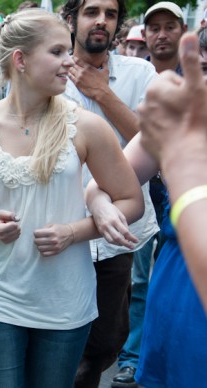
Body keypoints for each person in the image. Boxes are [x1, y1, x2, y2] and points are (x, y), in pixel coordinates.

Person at [0, 9, 143, 387]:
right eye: (57, 52)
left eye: (67, 51)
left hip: (64, 299)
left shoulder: (88, 127)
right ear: (20, 60)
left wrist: (74, 232)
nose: (69, 62)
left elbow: (131, 201)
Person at [87, 33, 207, 387]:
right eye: (200, 69)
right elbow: (107, 180)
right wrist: (100, 203)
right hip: (176, 293)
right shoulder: (185, 117)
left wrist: (183, 167)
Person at [61, 0, 161, 385]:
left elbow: (154, 143)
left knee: (107, 343)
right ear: (72, 18)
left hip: (119, 234)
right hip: (61, 228)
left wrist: (102, 93)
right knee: (61, 335)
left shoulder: (141, 73)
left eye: (110, 13)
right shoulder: (47, 71)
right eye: (91, 11)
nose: (101, 20)